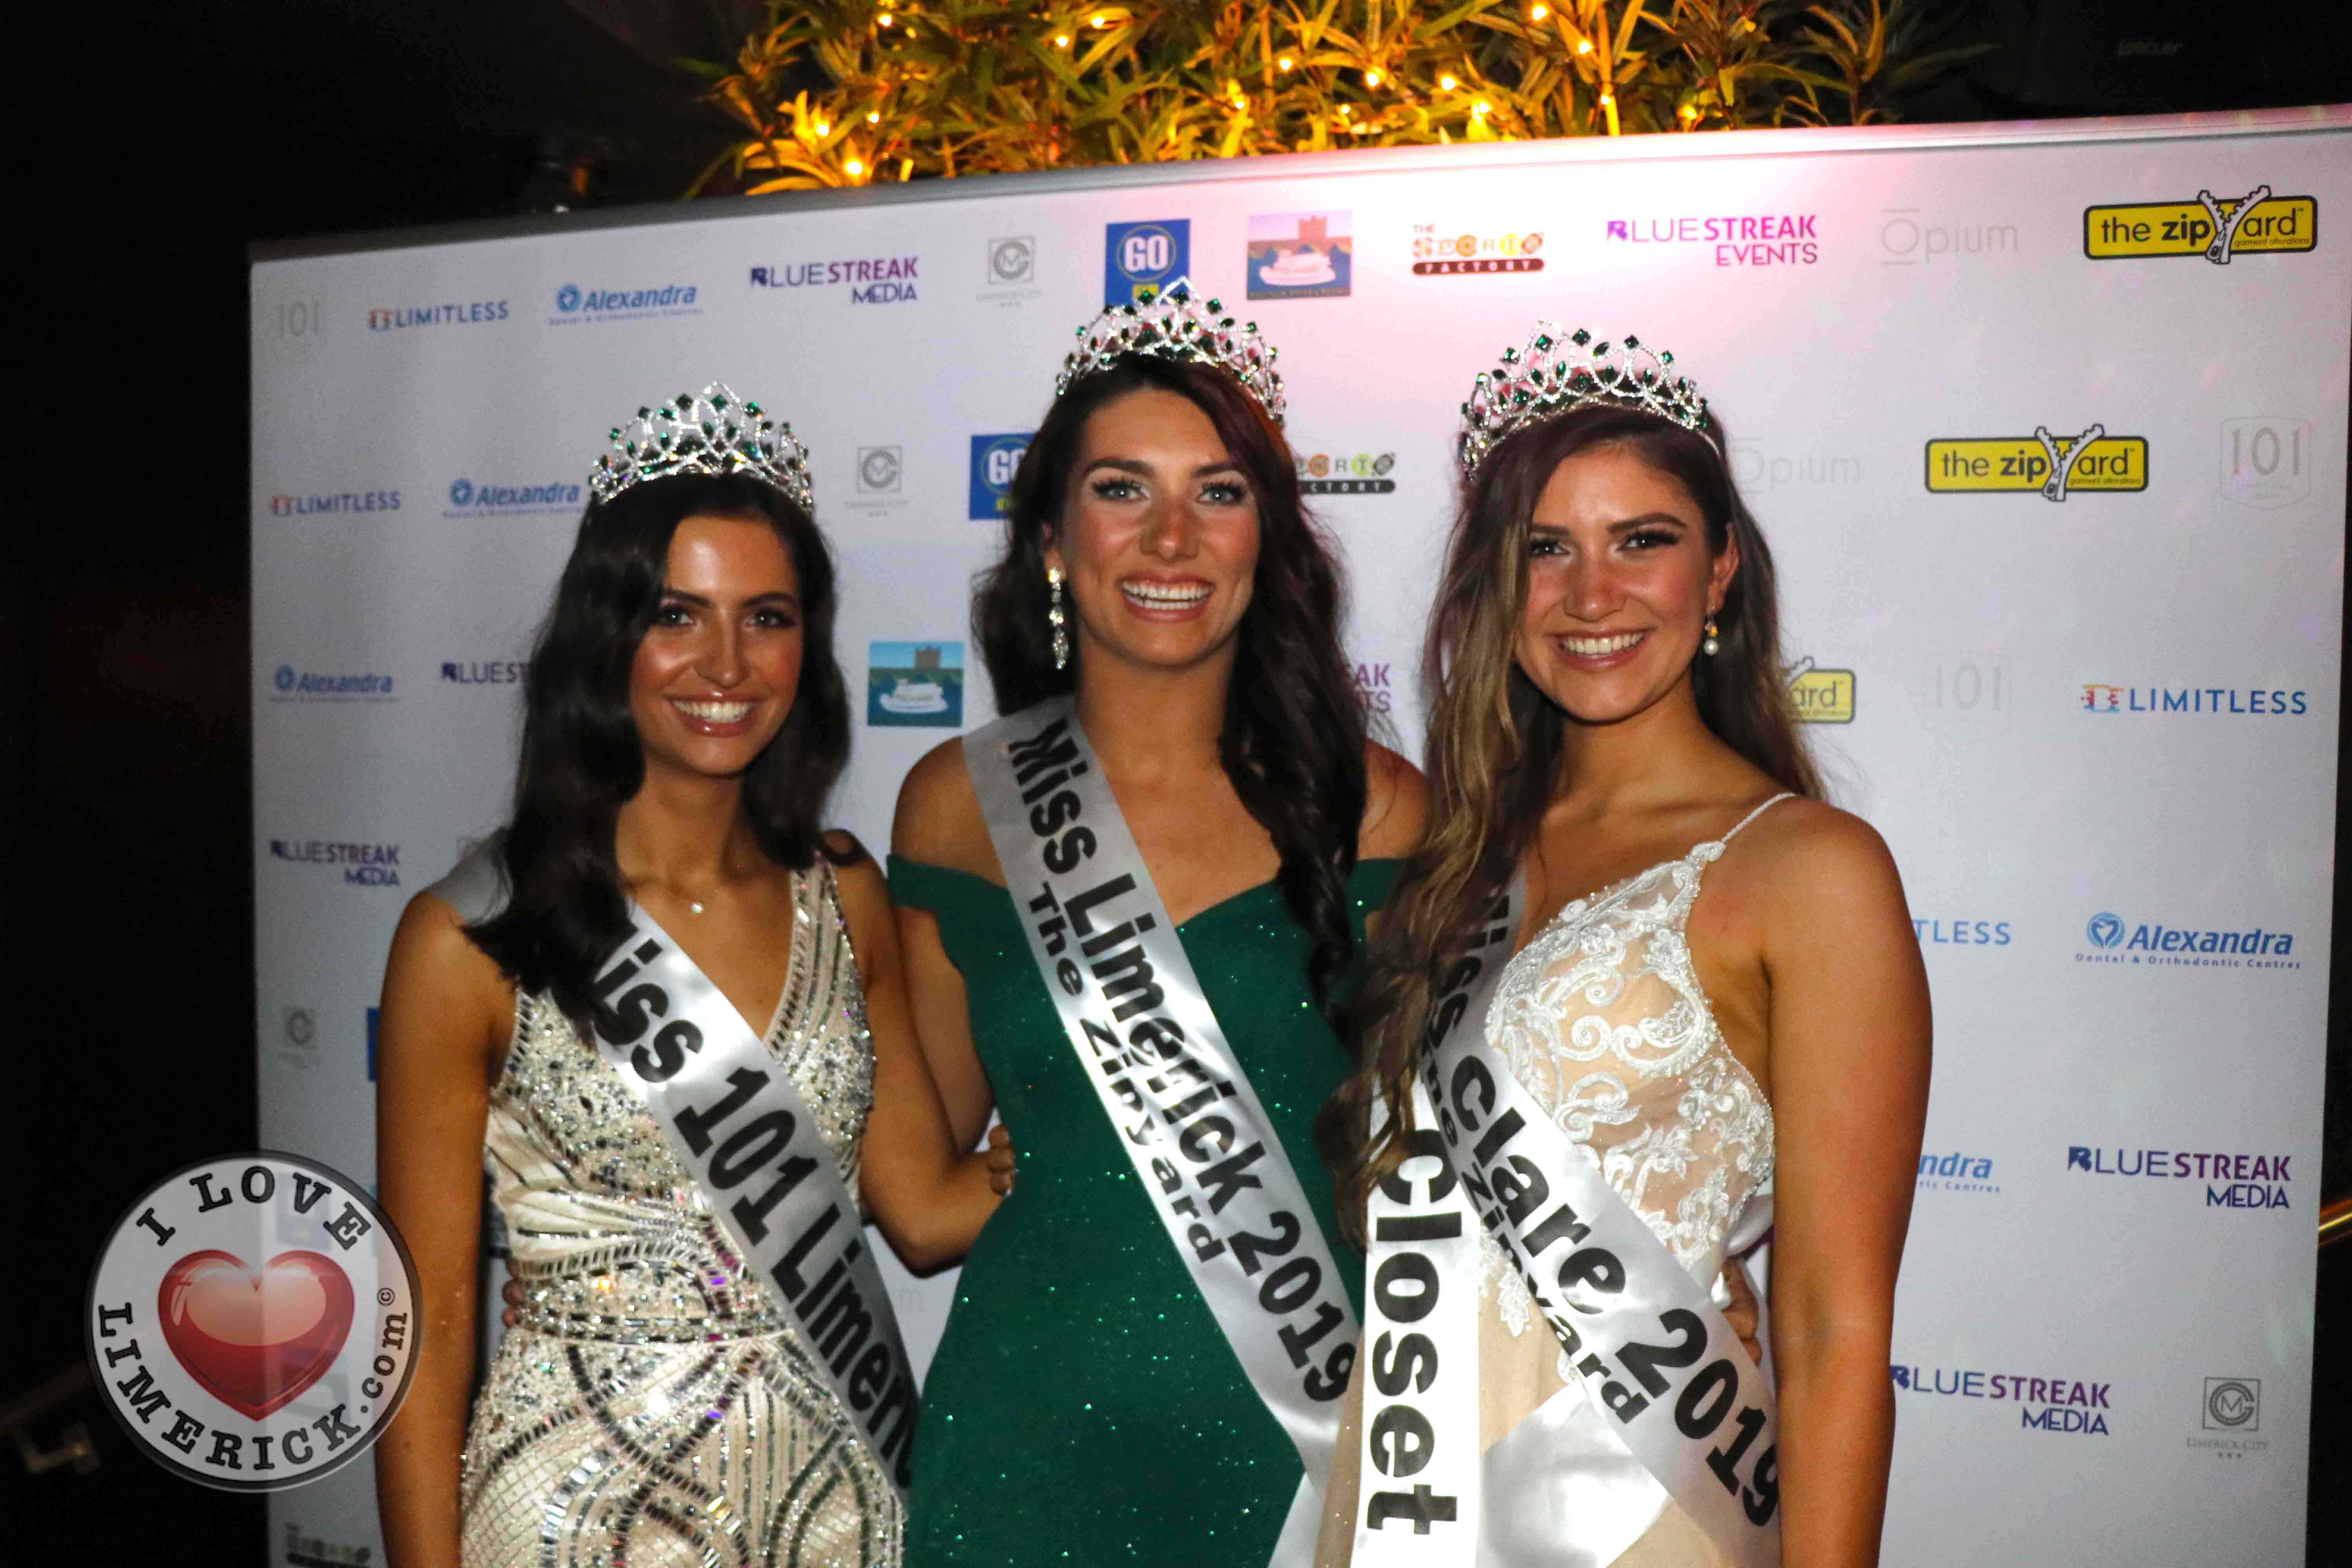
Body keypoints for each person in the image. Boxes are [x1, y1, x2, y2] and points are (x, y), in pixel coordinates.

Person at [1319, 328, 1931, 1566]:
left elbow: (1832, 1332)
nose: (1590, 595)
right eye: (1547, 549)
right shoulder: (1452, 857)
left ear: (1720, 576)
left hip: (1645, 1502)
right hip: (1402, 1485)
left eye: (1641, 540)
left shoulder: (1808, 869)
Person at [373, 386, 1005, 1568]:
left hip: (836, 1503)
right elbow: (432, 1328)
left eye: (767, 617)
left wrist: (1074, 1124)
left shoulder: (844, 895)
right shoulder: (471, 939)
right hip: (577, 1508)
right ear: (607, 636)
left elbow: (921, 1212)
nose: (728, 662)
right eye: (679, 613)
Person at [885, 289, 1426, 1564]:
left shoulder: (1383, 809)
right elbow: (919, 1187)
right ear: (1057, 541)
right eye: (1124, 489)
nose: (1173, 537)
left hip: (1297, 1437)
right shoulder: (960, 805)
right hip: (1024, 1441)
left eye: (1220, 493)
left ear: (1267, 541)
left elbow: (1425, 1161)